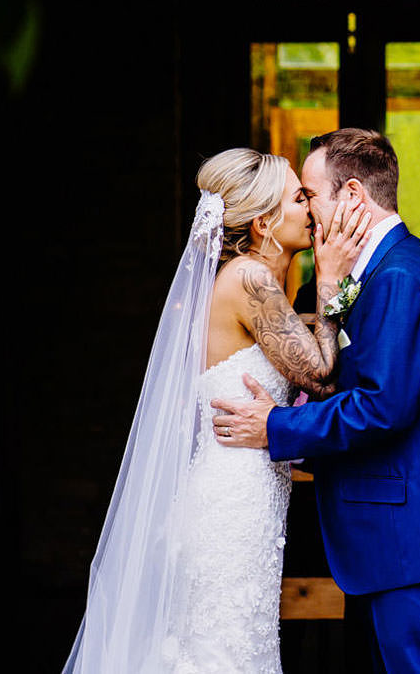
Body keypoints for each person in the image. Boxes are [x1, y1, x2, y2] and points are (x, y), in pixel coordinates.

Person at [62, 147, 375, 674]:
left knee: (235, 641)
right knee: (223, 648)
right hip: (233, 494)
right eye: (299, 198)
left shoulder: (263, 279)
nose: (311, 208)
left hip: (248, 484)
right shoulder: (249, 280)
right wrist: (332, 281)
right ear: (263, 224)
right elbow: (320, 373)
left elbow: (313, 383)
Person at [212, 128, 420, 673]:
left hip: (416, 546)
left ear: (350, 196)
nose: (306, 208)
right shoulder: (373, 274)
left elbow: (381, 406)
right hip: (394, 546)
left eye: (310, 194)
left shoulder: (399, 277)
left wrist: (276, 428)